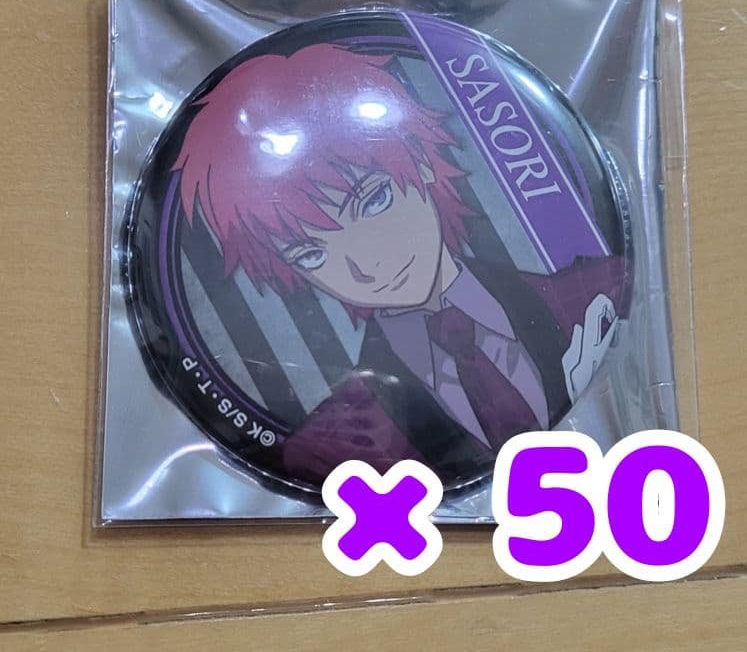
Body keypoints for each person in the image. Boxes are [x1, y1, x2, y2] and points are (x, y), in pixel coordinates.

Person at [173, 43, 625, 485]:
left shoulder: (593, 295)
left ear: (423, 162)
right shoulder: (327, 449)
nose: (367, 265)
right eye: (312, 254)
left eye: (374, 201)